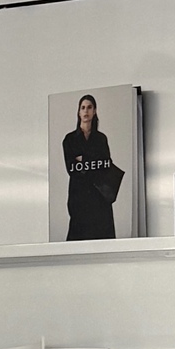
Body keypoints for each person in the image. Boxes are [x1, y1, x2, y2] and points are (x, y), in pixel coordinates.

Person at [62, 92, 121, 240]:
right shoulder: (70, 139)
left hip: (99, 197)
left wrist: (84, 160)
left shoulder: (101, 139)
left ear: (94, 111)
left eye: (89, 107)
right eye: (82, 107)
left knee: (102, 241)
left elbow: (105, 166)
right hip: (79, 197)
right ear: (78, 112)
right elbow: (72, 169)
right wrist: (93, 162)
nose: (86, 111)